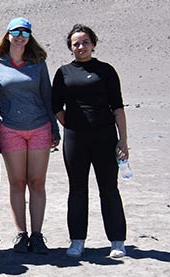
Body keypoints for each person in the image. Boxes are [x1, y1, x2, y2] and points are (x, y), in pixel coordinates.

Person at [52, 24, 128, 259]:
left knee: (109, 188)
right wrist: (74, 127)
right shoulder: (63, 72)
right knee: (77, 189)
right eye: (76, 43)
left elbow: (117, 107)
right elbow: (56, 107)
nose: (81, 47)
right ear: (70, 47)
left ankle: (117, 241)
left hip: (105, 137)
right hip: (76, 139)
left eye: (85, 42)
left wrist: (123, 140)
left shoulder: (106, 70)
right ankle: (77, 241)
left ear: (93, 44)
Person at [0, 18, 60, 254]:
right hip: (11, 130)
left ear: (30, 36)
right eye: (16, 31)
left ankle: (37, 235)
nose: (20, 36)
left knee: (37, 183)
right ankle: (21, 234)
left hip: (39, 127)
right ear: (7, 35)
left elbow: (47, 96)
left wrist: (54, 128)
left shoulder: (38, 64)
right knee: (17, 183)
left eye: (25, 32)